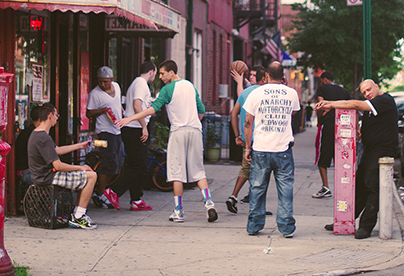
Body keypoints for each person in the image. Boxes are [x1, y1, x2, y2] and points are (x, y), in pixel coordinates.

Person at [117, 59, 218, 223]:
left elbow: (152, 108)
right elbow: (202, 110)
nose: (160, 77)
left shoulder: (167, 90)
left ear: (172, 72)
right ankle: (209, 204)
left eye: (163, 73)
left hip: (178, 131)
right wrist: (193, 121)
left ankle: (178, 211)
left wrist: (130, 118)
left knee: (176, 173)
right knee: (199, 171)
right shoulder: (190, 86)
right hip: (195, 130)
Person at [315, 79, 398, 239]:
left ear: (376, 87)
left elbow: (356, 105)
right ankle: (345, 221)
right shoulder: (372, 104)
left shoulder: (384, 100)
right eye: (364, 92)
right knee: (359, 185)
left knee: (372, 186)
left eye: (369, 90)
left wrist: (331, 104)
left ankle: (366, 226)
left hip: (382, 151)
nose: (367, 94)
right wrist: (360, 132)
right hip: (370, 150)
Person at [243, 61, 301, 238]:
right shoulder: (292, 93)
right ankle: (286, 227)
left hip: (260, 148)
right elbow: (293, 113)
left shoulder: (256, 92)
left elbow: (247, 122)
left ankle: (255, 225)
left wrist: (247, 147)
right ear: (283, 76)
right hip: (283, 148)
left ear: (266, 75)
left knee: (257, 188)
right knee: (285, 188)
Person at [27, 103, 99, 229]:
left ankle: (78, 213)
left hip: (42, 175)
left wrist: (79, 145)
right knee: (91, 176)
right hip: (48, 177)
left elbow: (58, 150)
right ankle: (78, 216)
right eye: (56, 115)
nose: (57, 118)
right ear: (50, 115)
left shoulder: (37, 134)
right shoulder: (43, 137)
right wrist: (81, 167)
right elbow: (58, 165)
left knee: (86, 176)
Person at [117, 60, 157, 211]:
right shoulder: (141, 83)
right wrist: (144, 126)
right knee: (140, 164)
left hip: (131, 128)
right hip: (135, 128)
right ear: (151, 72)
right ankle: (113, 191)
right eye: (155, 73)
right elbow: (136, 105)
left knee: (136, 164)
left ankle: (136, 199)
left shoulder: (136, 82)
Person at [226, 65, 266, 213]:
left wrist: (237, 134)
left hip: (246, 138)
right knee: (261, 172)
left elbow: (233, 113)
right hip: (262, 139)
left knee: (246, 169)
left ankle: (234, 197)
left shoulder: (246, 92)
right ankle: (257, 205)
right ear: (265, 78)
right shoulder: (264, 93)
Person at [86, 66, 125, 210]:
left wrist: (121, 113)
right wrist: (102, 110)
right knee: (109, 162)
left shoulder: (117, 87)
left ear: (112, 80)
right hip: (104, 131)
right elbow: (89, 113)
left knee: (118, 162)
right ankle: (100, 193)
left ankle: (104, 190)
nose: (103, 85)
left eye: (106, 82)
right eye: (100, 82)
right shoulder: (95, 94)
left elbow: (117, 104)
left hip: (117, 129)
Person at [312, 70, 351, 199]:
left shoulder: (322, 88)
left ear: (323, 79)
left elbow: (320, 105)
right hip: (343, 127)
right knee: (341, 157)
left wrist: (319, 121)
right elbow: (352, 108)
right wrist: (356, 129)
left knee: (323, 156)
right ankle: (343, 188)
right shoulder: (344, 91)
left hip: (328, 125)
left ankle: (326, 187)